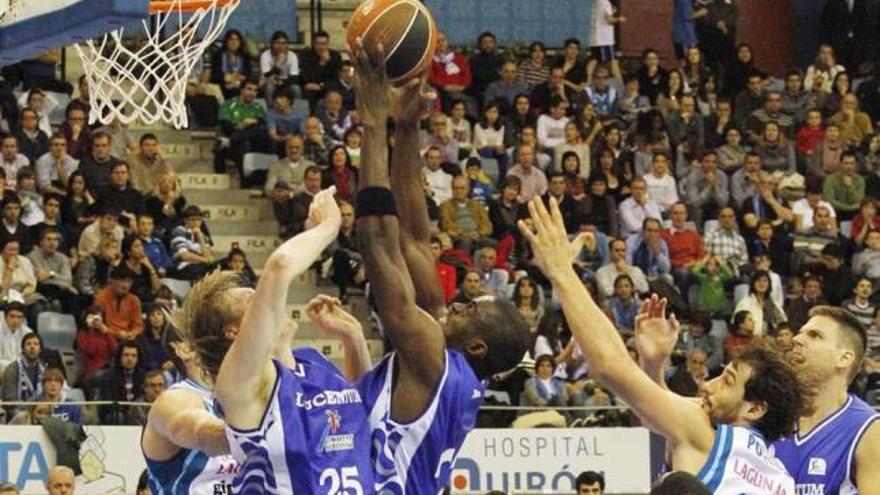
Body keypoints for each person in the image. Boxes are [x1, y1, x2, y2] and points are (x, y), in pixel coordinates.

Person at [517, 197, 802, 493]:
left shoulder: (707, 434)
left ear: (754, 409)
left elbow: (609, 366)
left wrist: (561, 271)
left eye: (727, 381)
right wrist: (654, 364)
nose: (708, 385)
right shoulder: (779, 477)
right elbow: (659, 411)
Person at [350, 44, 530, 493]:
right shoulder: (453, 367)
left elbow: (375, 239)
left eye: (467, 311)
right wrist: (408, 129)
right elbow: (412, 237)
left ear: (478, 345)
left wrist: (373, 125)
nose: (457, 306)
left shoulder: (432, 359)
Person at [774, 306, 880, 494]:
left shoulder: (869, 431)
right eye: (800, 333)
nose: (796, 339)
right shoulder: (767, 413)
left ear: (844, 358)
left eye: (814, 335)